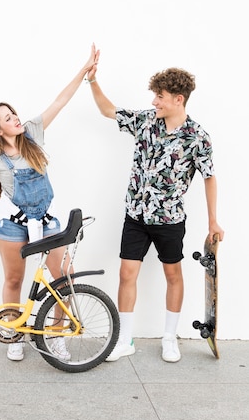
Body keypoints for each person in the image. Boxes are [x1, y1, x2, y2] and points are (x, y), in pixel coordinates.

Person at [0, 44, 99, 361]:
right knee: (14, 279)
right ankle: (14, 333)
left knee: (64, 279)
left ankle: (57, 335)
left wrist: (83, 72)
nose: (15, 118)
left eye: (13, 113)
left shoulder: (32, 134)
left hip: (47, 221)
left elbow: (60, 101)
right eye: (7, 118)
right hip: (12, 227)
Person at [85, 63, 224, 363]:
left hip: (169, 220)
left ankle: (169, 338)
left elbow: (210, 177)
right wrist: (93, 79)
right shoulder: (146, 121)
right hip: (136, 215)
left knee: (173, 274)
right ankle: (125, 339)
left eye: (159, 96)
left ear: (178, 99)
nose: (153, 102)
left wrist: (213, 220)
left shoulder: (198, 137)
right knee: (127, 273)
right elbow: (107, 110)